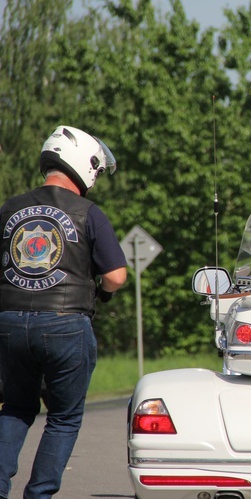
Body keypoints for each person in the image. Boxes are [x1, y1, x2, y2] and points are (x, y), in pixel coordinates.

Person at [0, 126, 127, 498]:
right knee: (64, 416)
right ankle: (38, 494)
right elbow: (116, 276)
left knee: (15, 408)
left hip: (8, 323)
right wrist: (101, 293)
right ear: (85, 166)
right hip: (65, 324)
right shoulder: (88, 212)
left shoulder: (9, 208)